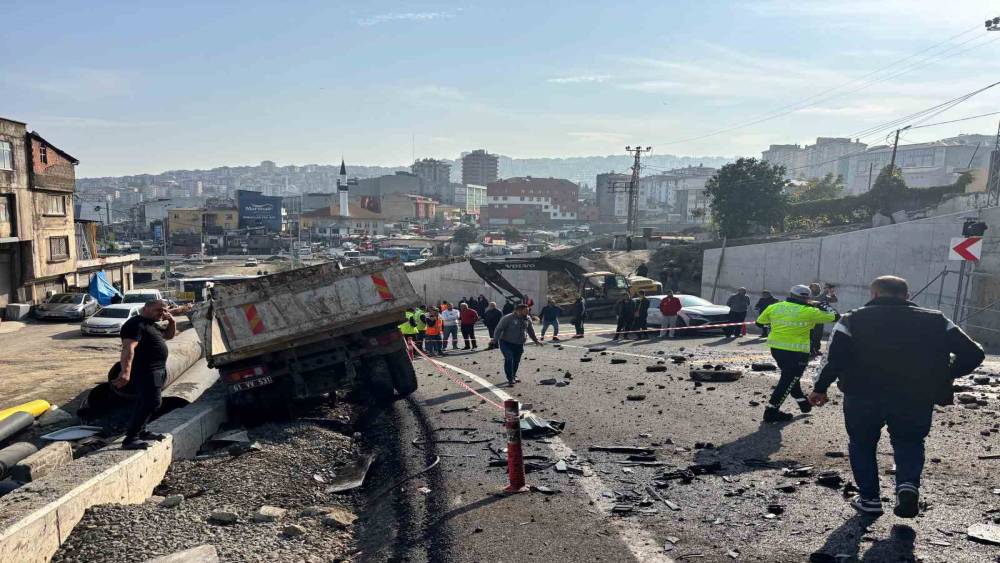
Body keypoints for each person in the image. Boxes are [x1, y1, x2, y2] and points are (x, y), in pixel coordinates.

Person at [809, 276, 984, 517]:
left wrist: (820, 388)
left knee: (862, 443)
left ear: (874, 294)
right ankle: (907, 486)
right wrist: (945, 375)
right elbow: (974, 353)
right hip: (915, 395)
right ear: (906, 295)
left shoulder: (852, 319)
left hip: (862, 394)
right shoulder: (936, 319)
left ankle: (869, 499)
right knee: (909, 441)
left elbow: (834, 359)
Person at [755, 285, 837, 423]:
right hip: (798, 352)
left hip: (777, 349)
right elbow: (835, 316)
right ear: (808, 298)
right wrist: (822, 304)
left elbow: (759, 323)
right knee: (788, 380)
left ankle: (803, 404)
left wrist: (775, 326)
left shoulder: (775, 307)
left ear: (791, 295)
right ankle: (771, 411)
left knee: (791, 378)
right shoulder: (809, 311)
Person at [113, 299, 176, 450]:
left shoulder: (151, 324)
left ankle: (142, 431)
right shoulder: (135, 324)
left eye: (164, 310)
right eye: (158, 310)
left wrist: (172, 322)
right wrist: (125, 371)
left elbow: (168, 335)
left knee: (143, 402)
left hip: (157, 370)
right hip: (145, 371)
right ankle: (131, 438)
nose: (162, 313)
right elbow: (128, 348)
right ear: (146, 308)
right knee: (153, 403)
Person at [491, 304, 542, 385]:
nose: (527, 313)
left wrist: (536, 340)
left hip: (519, 343)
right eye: (525, 311)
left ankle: (513, 375)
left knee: (516, 360)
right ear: (518, 310)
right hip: (506, 342)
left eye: (528, 311)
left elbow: (530, 331)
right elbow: (499, 329)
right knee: (509, 358)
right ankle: (510, 378)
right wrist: (495, 339)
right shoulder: (508, 318)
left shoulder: (527, 318)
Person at [809, 283, 838, 356]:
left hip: (820, 318)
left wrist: (832, 293)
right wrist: (826, 291)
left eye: (819, 287)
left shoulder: (823, 296)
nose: (818, 288)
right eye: (815, 287)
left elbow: (834, 300)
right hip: (811, 319)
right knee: (812, 335)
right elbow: (817, 299)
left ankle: (816, 349)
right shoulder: (809, 296)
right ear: (811, 288)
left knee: (819, 335)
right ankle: (811, 350)